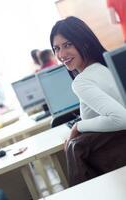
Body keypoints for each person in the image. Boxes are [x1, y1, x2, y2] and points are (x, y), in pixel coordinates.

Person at [50, 16, 126, 186]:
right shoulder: (106, 66)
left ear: (83, 42)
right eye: (56, 48)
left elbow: (121, 118)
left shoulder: (82, 81)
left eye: (67, 45)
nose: (61, 54)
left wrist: (78, 126)